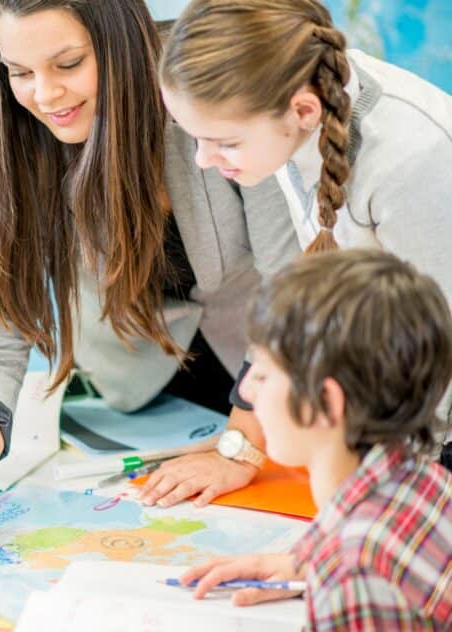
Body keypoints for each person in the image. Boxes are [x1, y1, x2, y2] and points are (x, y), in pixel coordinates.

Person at [0, 0, 297, 570]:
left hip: (276, 360)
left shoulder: (215, 87)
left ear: (122, 41)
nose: (45, 96)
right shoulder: (19, 140)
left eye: (68, 64)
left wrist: (241, 446)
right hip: (154, 392)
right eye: (19, 73)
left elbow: (294, 284)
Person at [139, 0, 452, 508]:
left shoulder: (412, 162)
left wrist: (372, 517)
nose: (203, 160)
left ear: (304, 111)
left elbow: (441, 355)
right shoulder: (294, 118)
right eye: (194, 137)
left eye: (224, 142)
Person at [180, 249, 452, 632]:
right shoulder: (425, 480)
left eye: (265, 375)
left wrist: (333, 572)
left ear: (326, 403)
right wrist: (304, 563)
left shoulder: (355, 570)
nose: (247, 392)